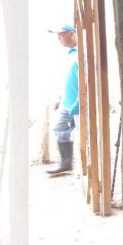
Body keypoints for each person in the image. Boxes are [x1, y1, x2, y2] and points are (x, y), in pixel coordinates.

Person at [46, 25, 79, 175]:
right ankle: (66, 163)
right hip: (66, 103)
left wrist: (79, 102)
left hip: (78, 104)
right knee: (59, 129)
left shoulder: (82, 54)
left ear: (71, 34)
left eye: (61, 35)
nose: (58, 38)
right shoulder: (70, 54)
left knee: (81, 135)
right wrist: (60, 98)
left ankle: (82, 167)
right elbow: (68, 79)